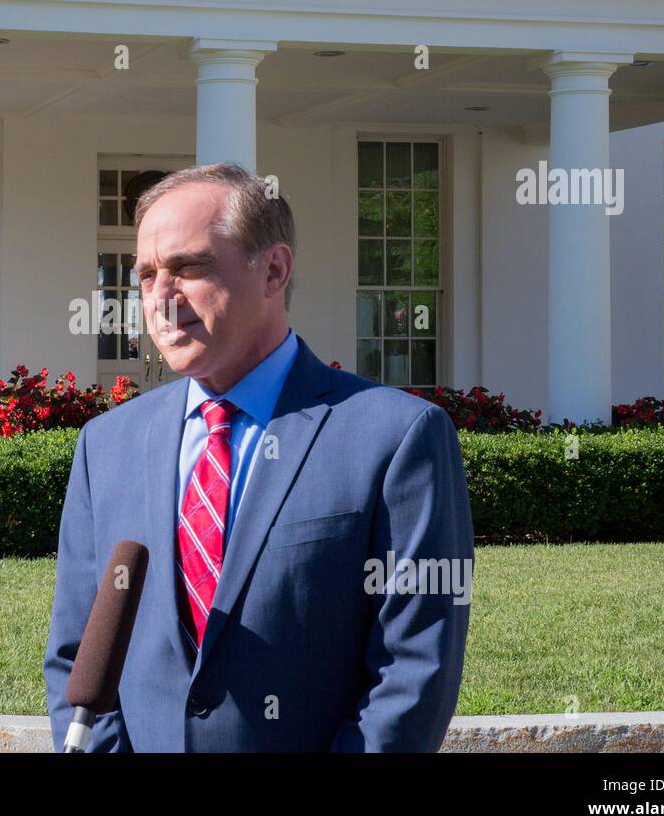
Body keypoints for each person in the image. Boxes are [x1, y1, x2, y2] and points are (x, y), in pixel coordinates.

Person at [44, 162, 474, 752]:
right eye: (145, 276)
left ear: (273, 270)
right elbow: (77, 658)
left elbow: (412, 674)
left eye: (188, 267)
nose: (160, 298)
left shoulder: (398, 438)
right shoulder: (106, 445)